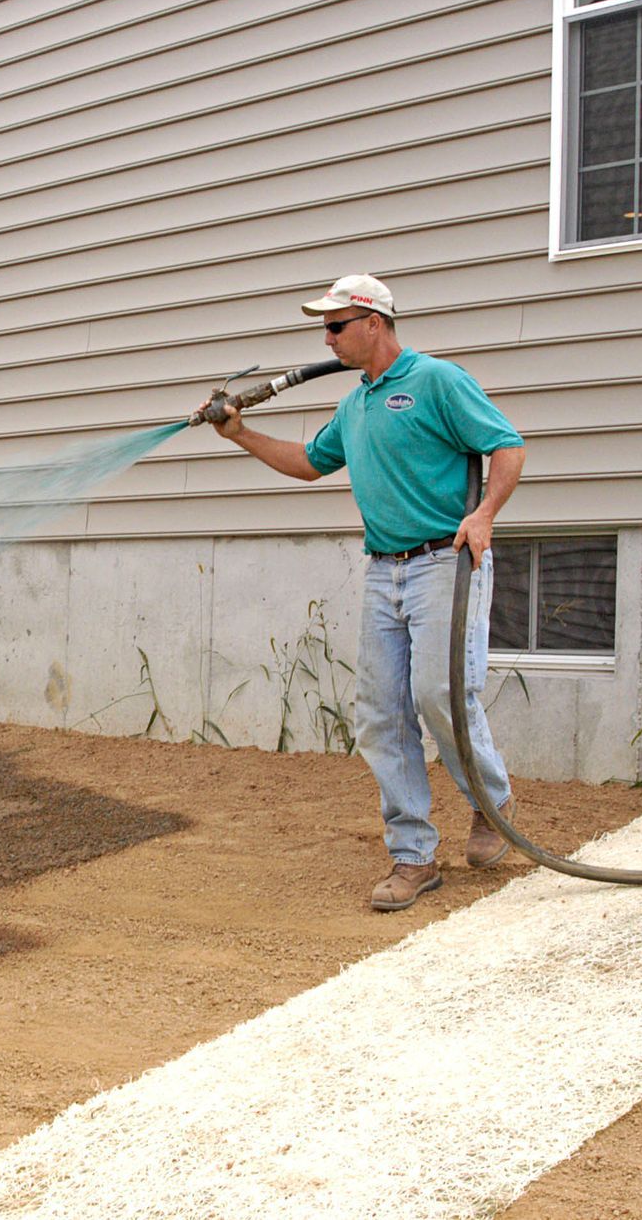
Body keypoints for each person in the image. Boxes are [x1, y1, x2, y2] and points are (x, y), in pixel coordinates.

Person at [197, 274, 525, 912]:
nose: (328, 338)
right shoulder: (356, 404)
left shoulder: (435, 381)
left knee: (440, 694)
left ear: (373, 322)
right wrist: (238, 433)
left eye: (337, 325)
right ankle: (413, 855)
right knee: (381, 715)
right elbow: (309, 463)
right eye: (326, 328)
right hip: (384, 570)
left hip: (444, 561)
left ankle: (492, 802)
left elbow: (506, 445)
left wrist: (483, 514)